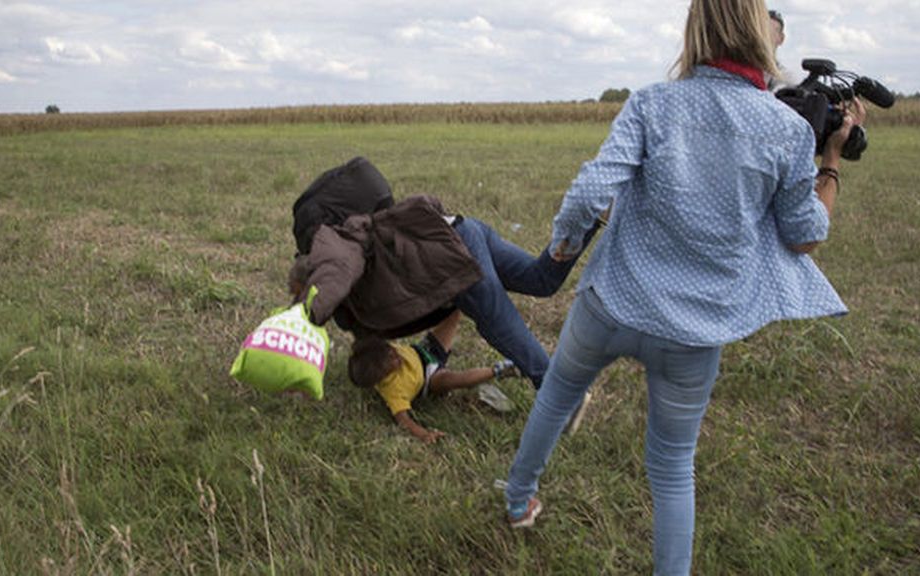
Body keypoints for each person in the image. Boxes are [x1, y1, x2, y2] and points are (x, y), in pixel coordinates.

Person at [503, 0, 866, 574]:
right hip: (695, 331)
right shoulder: (787, 129)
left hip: (611, 304)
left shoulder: (652, 102)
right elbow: (805, 238)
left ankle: (518, 499)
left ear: (695, 31)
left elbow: (589, 192)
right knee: (672, 466)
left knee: (557, 396)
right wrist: (832, 160)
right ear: (760, 36)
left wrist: (562, 248)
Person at [291, 194, 600, 392]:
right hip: (461, 230)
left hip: (449, 256)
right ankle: (588, 216)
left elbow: (335, 277)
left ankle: (559, 392)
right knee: (540, 280)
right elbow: (369, 340)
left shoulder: (336, 257)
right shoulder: (354, 307)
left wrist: (303, 315)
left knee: (496, 320)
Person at [348, 310, 519, 443]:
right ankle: (499, 370)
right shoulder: (393, 391)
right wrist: (424, 434)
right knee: (453, 380)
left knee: (452, 314)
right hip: (430, 379)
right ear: (382, 375)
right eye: (392, 360)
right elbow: (404, 421)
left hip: (426, 351)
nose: (395, 354)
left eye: (391, 350)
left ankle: (461, 297)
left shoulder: (378, 351)